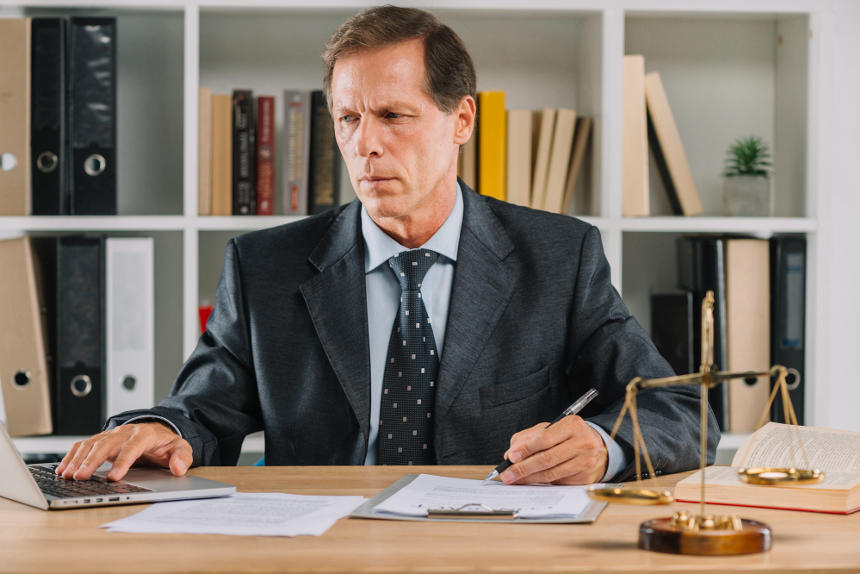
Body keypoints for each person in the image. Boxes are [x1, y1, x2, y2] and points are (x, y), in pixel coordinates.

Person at [56, 5, 716, 486]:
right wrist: (162, 431)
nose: (364, 144)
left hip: (492, 546)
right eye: (348, 118)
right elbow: (201, 410)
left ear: (461, 119)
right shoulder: (264, 267)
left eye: (393, 116)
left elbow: (682, 410)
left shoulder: (558, 257)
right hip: (320, 547)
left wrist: (606, 445)